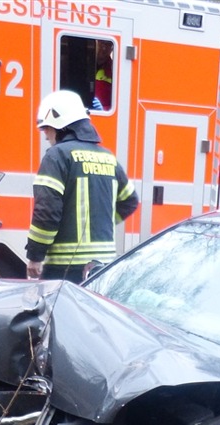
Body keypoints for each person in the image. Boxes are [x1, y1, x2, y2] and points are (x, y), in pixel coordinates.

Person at [25, 90, 138, 283]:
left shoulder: (57, 155)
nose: (46, 136)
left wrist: (35, 256)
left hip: (63, 268)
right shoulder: (108, 157)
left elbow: (47, 212)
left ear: (60, 125)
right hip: (103, 267)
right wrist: (102, 224)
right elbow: (130, 200)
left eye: (46, 129)